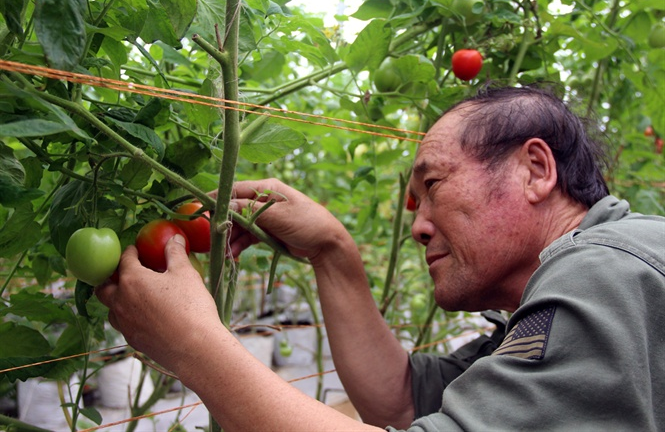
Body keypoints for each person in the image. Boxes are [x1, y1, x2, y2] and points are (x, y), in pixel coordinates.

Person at [96, 85, 665, 431]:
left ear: (535, 170)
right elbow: (401, 403)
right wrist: (331, 251)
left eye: (433, 185)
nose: (417, 225)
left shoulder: (604, 271)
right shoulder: (579, 285)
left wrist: (195, 345)